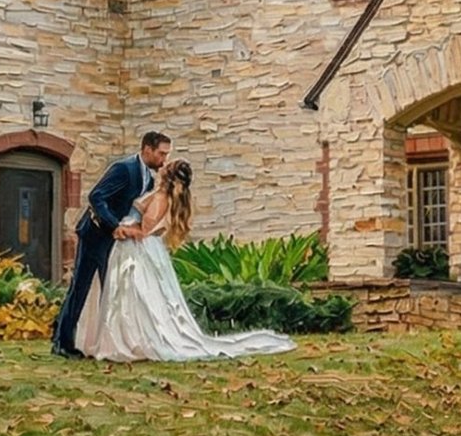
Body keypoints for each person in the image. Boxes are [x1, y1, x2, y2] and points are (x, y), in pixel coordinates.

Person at [75, 159, 295, 363]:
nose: (161, 167)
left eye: (166, 167)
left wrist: (122, 229)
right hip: (135, 248)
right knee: (128, 294)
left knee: (133, 294)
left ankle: (132, 340)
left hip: (136, 250)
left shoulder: (160, 199)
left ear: (167, 176)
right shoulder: (159, 194)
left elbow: (144, 231)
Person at [52, 131, 168, 358]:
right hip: (95, 234)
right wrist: (114, 225)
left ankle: (107, 343)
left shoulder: (148, 177)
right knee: (81, 288)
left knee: (112, 291)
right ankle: (62, 343)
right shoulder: (124, 169)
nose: (164, 160)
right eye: (161, 154)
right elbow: (96, 197)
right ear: (147, 149)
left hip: (118, 243)